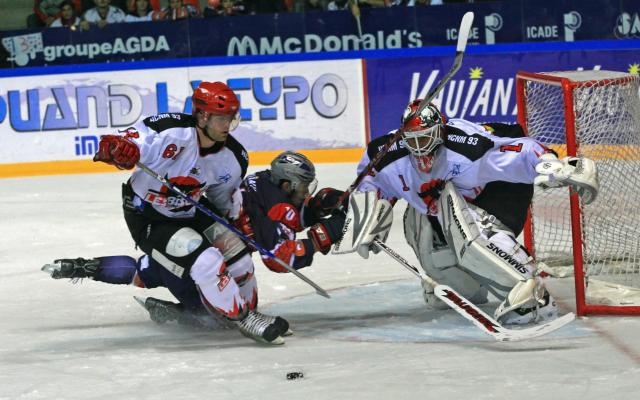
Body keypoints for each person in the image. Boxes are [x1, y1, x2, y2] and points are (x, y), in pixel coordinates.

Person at [42, 81, 291, 345]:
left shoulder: (233, 156)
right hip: (148, 215)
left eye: (231, 118)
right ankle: (243, 319)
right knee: (206, 261)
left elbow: (222, 201)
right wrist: (117, 149)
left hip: (190, 210)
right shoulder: (168, 131)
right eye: (222, 119)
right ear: (203, 116)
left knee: (239, 256)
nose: (228, 125)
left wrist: (238, 222)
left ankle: (243, 311)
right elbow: (124, 142)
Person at [347, 99, 598, 325]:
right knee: (417, 220)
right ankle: (465, 289)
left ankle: (529, 289)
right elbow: (373, 180)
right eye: (411, 140)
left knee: (454, 208)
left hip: (498, 196)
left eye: (424, 139)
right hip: (441, 210)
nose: (418, 148)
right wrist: (369, 218)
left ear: (440, 133)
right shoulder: (388, 155)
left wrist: (553, 166)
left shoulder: (467, 148)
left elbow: (521, 150)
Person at [43, 152, 346, 332]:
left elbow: (287, 216)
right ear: (287, 184)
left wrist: (321, 206)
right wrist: (327, 232)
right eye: (304, 187)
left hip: (185, 244)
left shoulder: (262, 184)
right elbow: (281, 259)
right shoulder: (276, 202)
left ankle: (83, 266)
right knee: (232, 313)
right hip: (204, 260)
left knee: (144, 271)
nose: (307, 192)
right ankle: (185, 314)